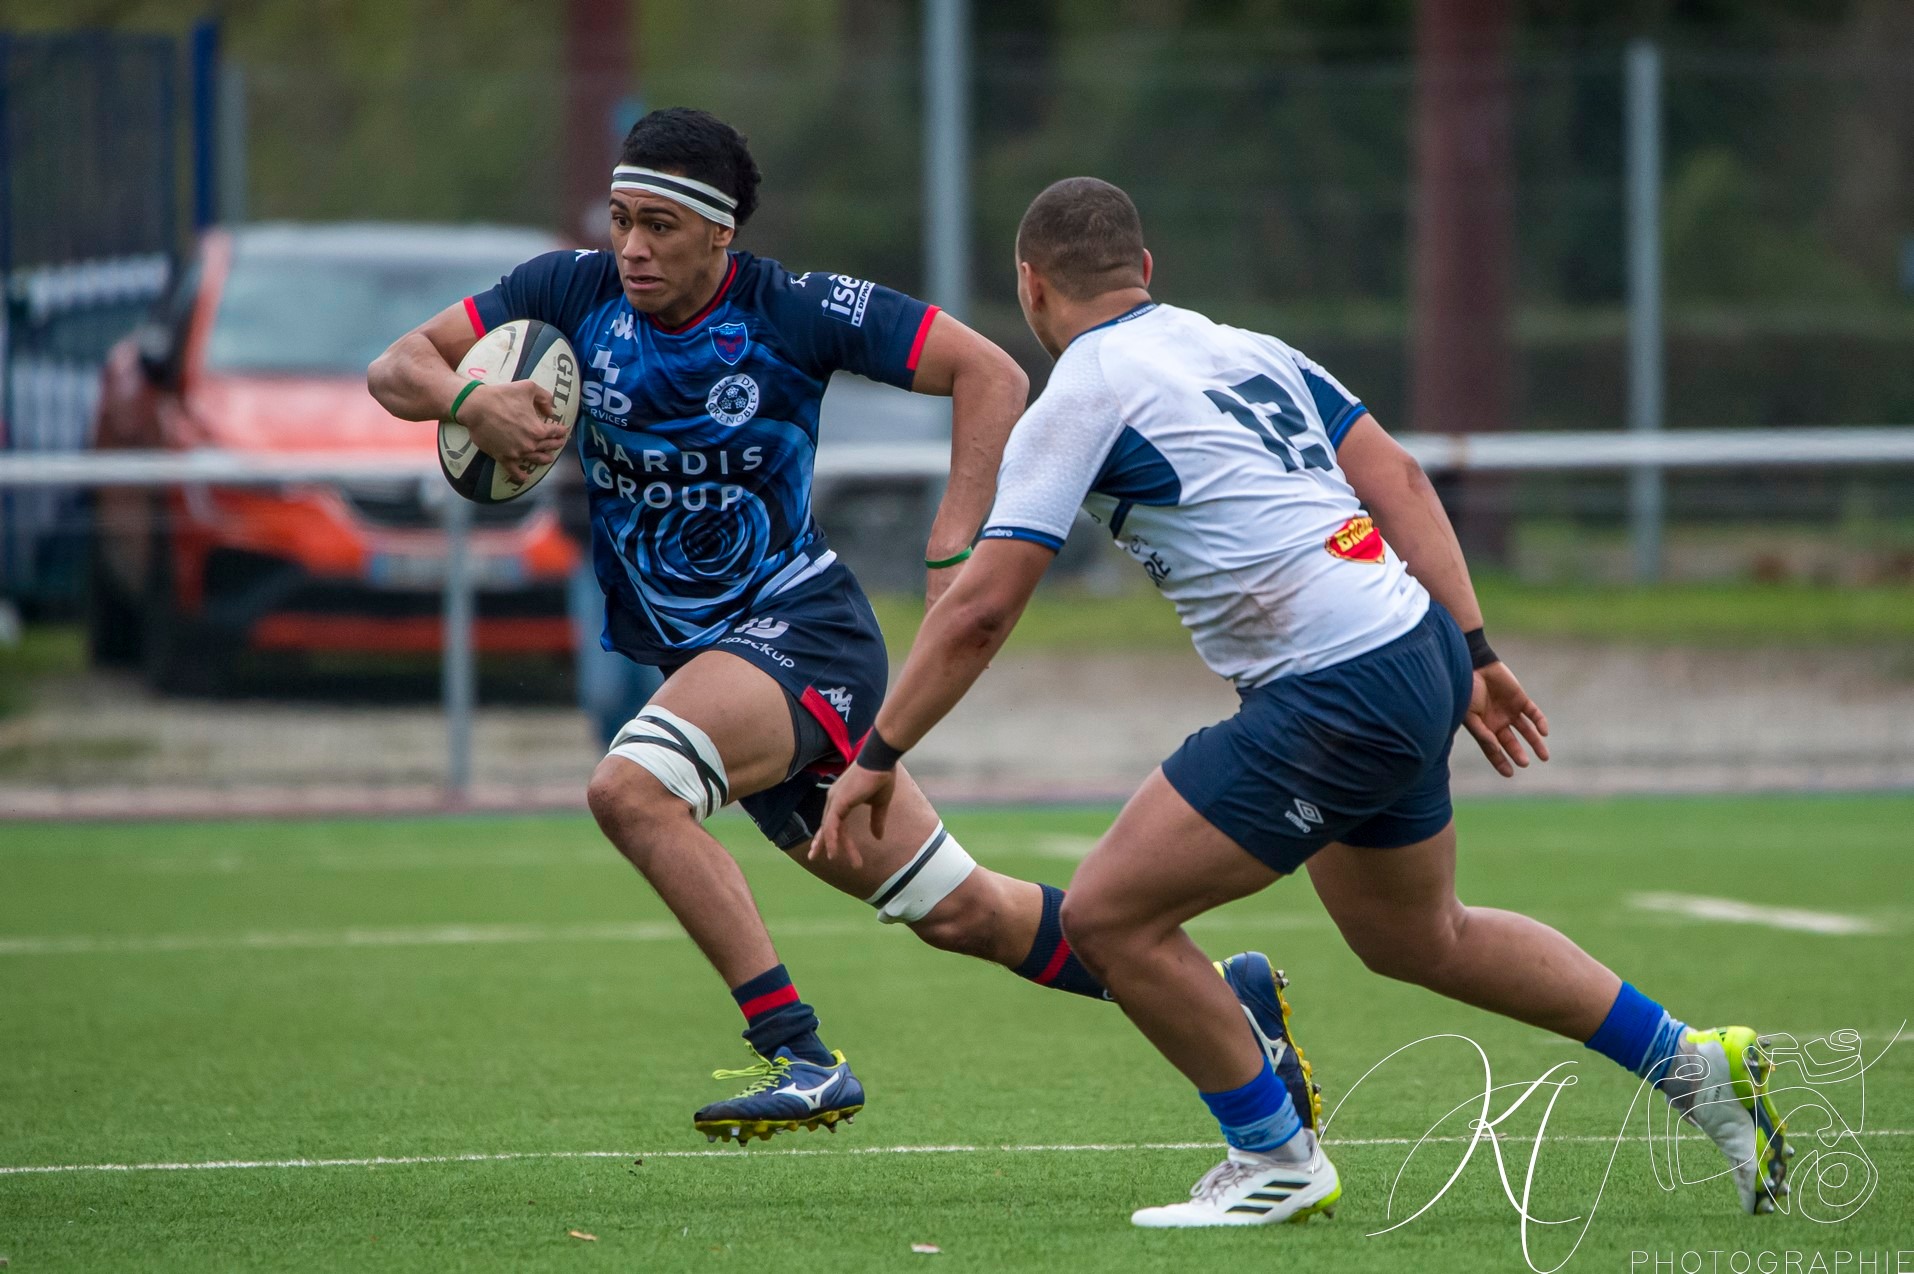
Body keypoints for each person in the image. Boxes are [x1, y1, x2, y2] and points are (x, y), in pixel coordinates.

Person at [815, 177, 1788, 1226]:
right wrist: (1474, 649)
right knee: (1419, 937)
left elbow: (979, 614)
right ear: (1147, 270)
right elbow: (1400, 478)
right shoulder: (1249, 347)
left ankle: (1273, 1155)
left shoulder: (1080, 396)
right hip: (1414, 642)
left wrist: (878, 754)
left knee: (1106, 917)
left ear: (1030, 286)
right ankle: (1692, 1064)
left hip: (1337, 686)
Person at [367, 110, 1300, 1145]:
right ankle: (1233, 1006)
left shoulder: (794, 308)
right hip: (714, 662)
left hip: (801, 635)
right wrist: (472, 399)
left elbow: (990, 371)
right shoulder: (567, 290)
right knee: (963, 912)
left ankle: (800, 1055)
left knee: (631, 789)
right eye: (623, 220)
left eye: (661, 227)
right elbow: (397, 366)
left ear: (720, 233)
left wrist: (954, 539)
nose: (633, 247)